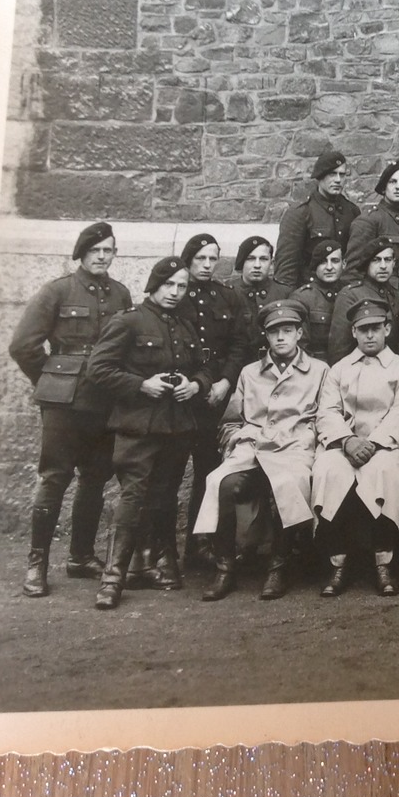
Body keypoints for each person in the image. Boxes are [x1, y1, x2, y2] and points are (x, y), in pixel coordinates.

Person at [8, 221, 133, 597]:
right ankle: (37, 562)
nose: (101, 256)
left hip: (105, 402)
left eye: (108, 250)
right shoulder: (57, 291)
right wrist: (51, 382)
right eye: (95, 250)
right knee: (54, 478)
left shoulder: (121, 295)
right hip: (64, 404)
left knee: (96, 478)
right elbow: (23, 345)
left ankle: (80, 556)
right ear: (81, 253)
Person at [85, 257, 211, 610]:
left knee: (165, 496)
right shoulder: (128, 322)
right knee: (132, 496)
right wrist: (142, 385)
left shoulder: (185, 326)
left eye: (181, 286)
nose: (175, 292)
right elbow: (98, 369)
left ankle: (158, 564)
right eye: (169, 284)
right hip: (138, 426)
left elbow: (203, 367)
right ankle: (113, 578)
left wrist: (195, 384)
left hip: (177, 426)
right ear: (154, 285)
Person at [194, 299, 327, 602]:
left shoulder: (319, 371)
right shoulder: (250, 373)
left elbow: (325, 417)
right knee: (221, 483)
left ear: (300, 333)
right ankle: (225, 568)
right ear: (265, 336)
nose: (281, 337)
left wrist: (307, 439)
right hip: (252, 447)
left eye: (288, 330)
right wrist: (234, 441)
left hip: (295, 448)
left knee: (287, 483)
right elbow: (230, 421)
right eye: (274, 331)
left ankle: (277, 566)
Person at [311, 298, 399, 597]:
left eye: (376, 328)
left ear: (387, 329)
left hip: (386, 445)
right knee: (328, 470)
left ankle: (384, 561)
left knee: (383, 472)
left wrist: (372, 443)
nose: (370, 335)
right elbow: (327, 412)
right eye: (363, 330)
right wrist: (347, 440)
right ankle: (337, 561)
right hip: (344, 444)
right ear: (354, 333)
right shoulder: (339, 370)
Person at [168, 233, 250, 582]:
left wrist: (225, 383)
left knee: (208, 473)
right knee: (169, 475)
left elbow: (238, 345)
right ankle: (164, 551)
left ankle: (200, 544)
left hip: (214, 398)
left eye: (212, 259)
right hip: (180, 398)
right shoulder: (176, 294)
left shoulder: (226, 296)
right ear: (188, 259)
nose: (206, 265)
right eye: (200, 258)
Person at [274, 149, 361, 288]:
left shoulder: (352, 212)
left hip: (344, 292)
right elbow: (286, 269)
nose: (338, 180)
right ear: (320, 176)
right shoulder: (301, 213)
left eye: (342, 175)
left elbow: (356, 261)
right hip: (310, 293)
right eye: (332, 174)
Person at [327, 239, 399, 364]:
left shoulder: (397, 296)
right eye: (376, 260)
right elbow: (339, 348)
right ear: (366, 263)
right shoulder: (351, 295)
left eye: (388, 260)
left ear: (394, 263)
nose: (383, 266)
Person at [347, 160, 399, 296]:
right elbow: (352, 272)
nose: (398, 187)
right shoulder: (370, 220)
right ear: (384, 188)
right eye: (393, 182)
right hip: (378, 294)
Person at [225, 235, 291, 359]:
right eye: (250, 259)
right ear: (241, 262)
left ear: (272, 264)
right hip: (238, 366)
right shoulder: (227, 292)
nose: (257, 265)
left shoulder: (284, 293)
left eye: (263, 259)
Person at [287, 240, 345, 363]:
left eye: (335, 261)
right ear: (314, 266)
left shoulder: (352, 294)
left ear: (344, 264)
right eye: (323, 262)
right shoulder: (302, 298)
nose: (329, 267)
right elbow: (300, 346)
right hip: (316, 366)